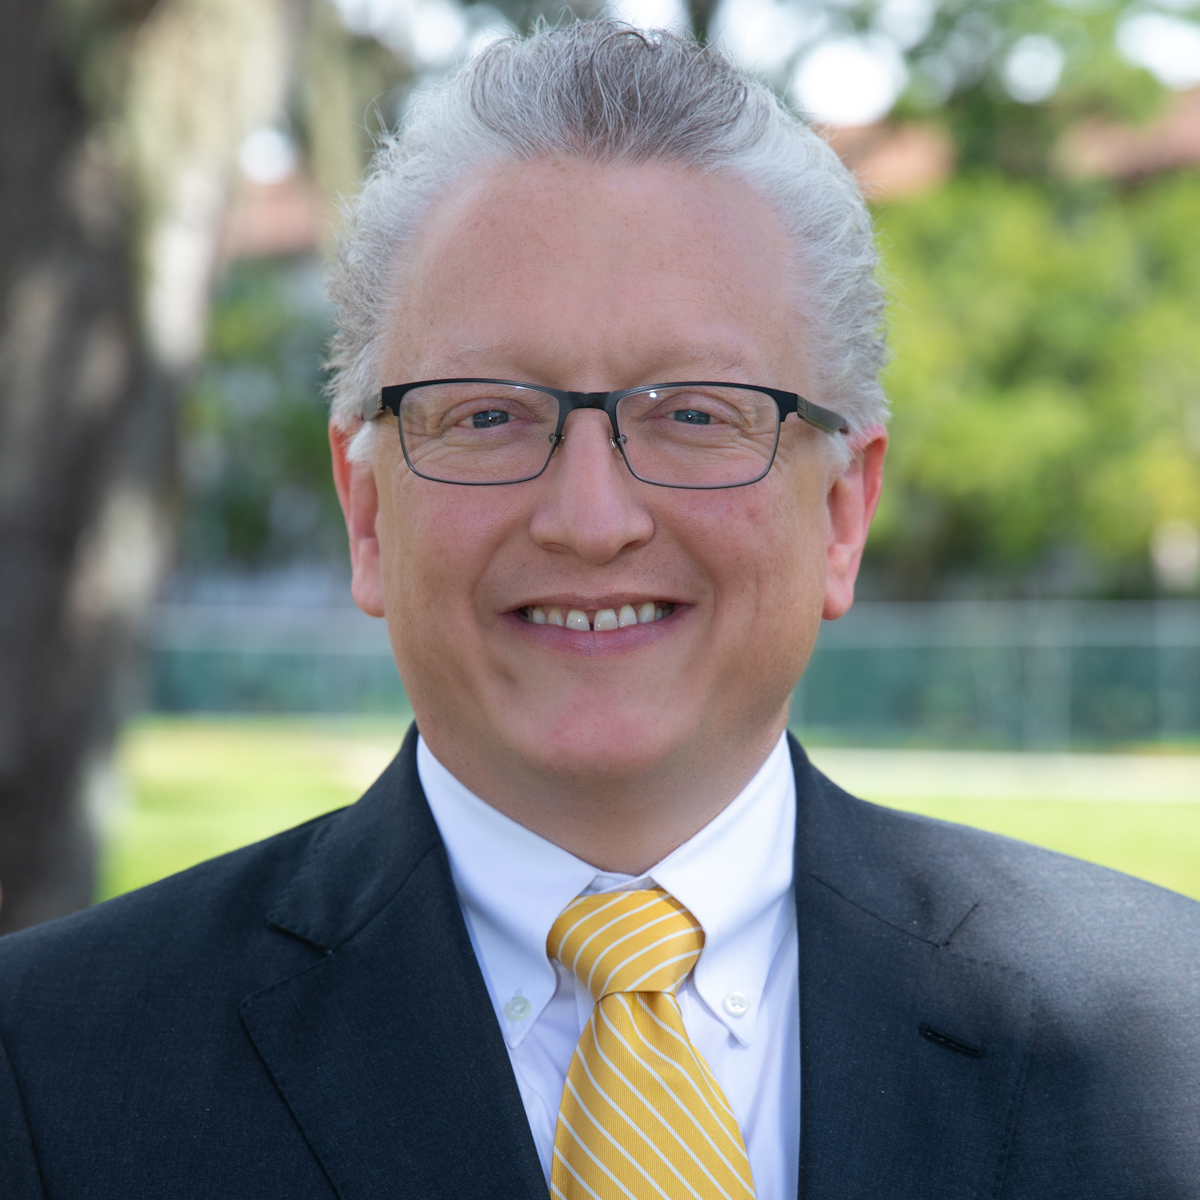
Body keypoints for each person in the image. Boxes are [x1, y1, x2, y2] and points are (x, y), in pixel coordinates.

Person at [1, 21, 1198, 1200]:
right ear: (367, 513)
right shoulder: (46, 1069)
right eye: (485, 414)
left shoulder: (1170, 1037)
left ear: (842, 515)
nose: (590, 517)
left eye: (694, 414)